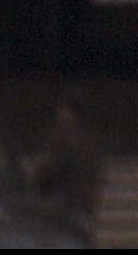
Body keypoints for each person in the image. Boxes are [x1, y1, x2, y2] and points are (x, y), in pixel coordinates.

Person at [29, 95, 102, 229]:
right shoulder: (59, 140)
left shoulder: (79, 143)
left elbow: (90, 174)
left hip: (68, 200)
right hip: (63, 199)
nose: (62, 117)